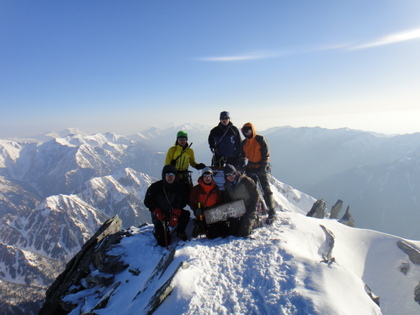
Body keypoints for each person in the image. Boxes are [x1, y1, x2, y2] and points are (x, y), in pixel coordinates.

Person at [144, 165, 190, 247]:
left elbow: (183, 201)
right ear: (164, 175)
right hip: (159, 216)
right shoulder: (155, 187)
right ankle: (157, 230)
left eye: (172, 174)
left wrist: (176, 213)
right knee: (164, 243)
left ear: (175, 176)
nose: (170, 177)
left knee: (186, 215)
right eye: (168, 174)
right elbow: (148, 201)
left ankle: (180, 231)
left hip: (172, 212)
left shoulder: (179, 188)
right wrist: (157, 211)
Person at [240, 122, 277, 223]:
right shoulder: (244, 143)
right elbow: (243, 155)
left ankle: (272, 211)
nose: (247, 132)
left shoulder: (260, 139)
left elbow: (266, 154)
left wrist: (263, 166)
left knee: (265, 189)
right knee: (252, 190)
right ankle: (258, 209)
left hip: (261, 166)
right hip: (251, 167)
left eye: (249, 130)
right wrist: (243, 165)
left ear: (252, 130)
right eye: (245, 131)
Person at [188, 166, 229, 239]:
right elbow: (191, 201)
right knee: (213, 234)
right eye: (205, 176)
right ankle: (200, 227)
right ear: (202, 177)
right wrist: (195, 209)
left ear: (212, 177)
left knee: (225, 232)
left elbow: (219, 200)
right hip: (203, 216)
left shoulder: (215, 188)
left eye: (209, 176)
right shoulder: (196, 189)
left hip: (215, 214)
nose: (207, 178)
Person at [223, 164, 259, 237]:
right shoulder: (227, 186)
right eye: (228, 175)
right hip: (238, 209)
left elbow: (256, 195)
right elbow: (228, 199)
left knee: (244, 232)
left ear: (235, 172)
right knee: (232, 232)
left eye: (232, 173)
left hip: (249, 207)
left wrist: (253, 208)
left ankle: (254, 219)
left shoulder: (246, 181)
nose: (230, 176)